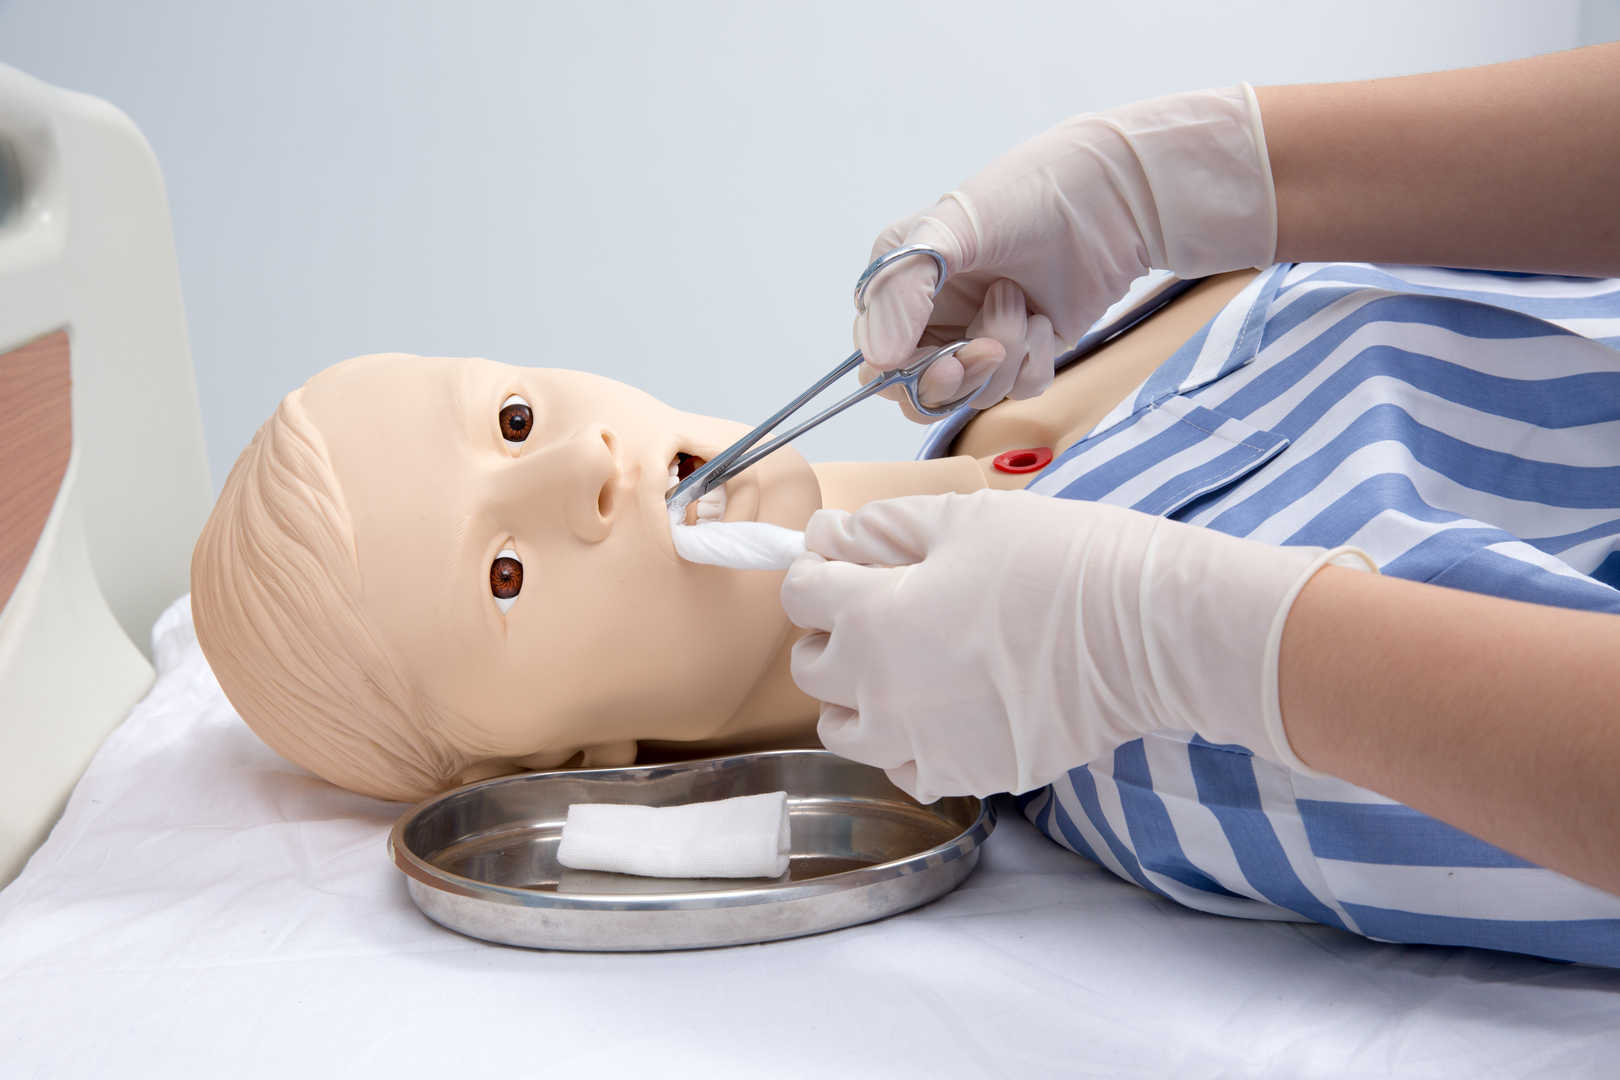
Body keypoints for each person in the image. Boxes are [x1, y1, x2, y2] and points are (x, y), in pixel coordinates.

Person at [781, 42, 1620, 962]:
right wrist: (1165, 183)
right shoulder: (1128, 729)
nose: (628, 456)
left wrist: (1176, 640)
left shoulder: (1132, 713)